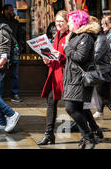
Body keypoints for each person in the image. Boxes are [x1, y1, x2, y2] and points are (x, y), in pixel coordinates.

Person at [63, 10, 98, 149]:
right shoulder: (74, 36)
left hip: (80, 78)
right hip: (72, 77)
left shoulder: (86, 37)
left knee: (70, 108)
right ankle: (86, 138)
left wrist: (67, 49)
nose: (68, 24)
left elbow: (80, 56)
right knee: (78, 109)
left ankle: (89, 136)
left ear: (77, 22)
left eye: (71, 21)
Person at [37, 10, 69, 145]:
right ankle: (49, 134)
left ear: (68, 23)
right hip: (54, 73)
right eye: (57, 21)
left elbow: (75, 57)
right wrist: (47, 59)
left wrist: (60, 56)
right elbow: (53, 56)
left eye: (62, 21)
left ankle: (91, 130)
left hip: (66, 75)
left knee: (73, 107)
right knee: (51, 103)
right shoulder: (57, 34)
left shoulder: (70, 36)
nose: (58, 24)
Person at [0, 4, 24, 103]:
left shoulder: (16, 22)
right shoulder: (0, 22)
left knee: (14, 74)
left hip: (14, 51)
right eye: (9, 10)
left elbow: (20, 36)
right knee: (1, 74)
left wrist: (20, 48)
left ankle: (14, 94)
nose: (11, 12)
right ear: (4, 11)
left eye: (12, 10)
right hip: (3, 51)